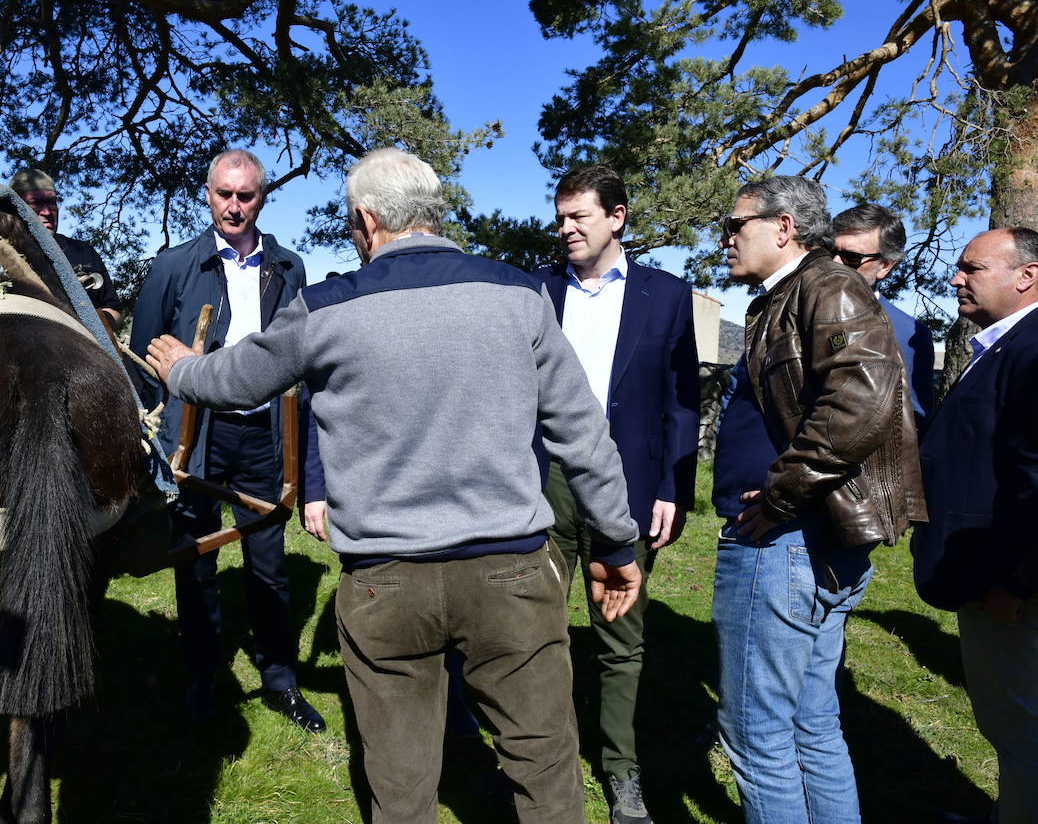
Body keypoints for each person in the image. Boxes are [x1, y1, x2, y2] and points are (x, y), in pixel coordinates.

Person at [146, 147, 643, 824]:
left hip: (386, 581)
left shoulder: (326, 307)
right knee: (546, 774)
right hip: (514, 577)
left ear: (366, 220)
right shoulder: (519, 293)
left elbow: (235, 381)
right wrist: (616, 543)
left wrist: (180, 369)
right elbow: (582, 437)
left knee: (400, 788)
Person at [711, 176, 924, 823]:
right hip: (803, 542)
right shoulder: (790, 295)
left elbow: (861, 402)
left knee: (758, 737)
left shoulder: (824, 286)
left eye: (735, 223)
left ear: (782, 227)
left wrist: (780, 494)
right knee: (809, 724)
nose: (723, 237)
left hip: (783, 543)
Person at [128, 150, 324, 732]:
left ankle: (280, 681)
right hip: (196, 435)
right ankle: (202, 676)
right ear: (208, 194)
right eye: (224, 194)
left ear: (262, 198)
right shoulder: (174, 265)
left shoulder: (288, 267)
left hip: (264, 435)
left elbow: (300, 357)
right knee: (195, 562)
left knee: (269, 566)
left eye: (246, 196)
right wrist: (153, 435)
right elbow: (143, 357)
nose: (234, 206)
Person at [534, 165, 699, 824]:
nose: (566, 228)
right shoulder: (538, 291)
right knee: (531, 634)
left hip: (628, 487)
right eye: (561, 217)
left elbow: (680, 406)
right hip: (545, 484)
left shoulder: (668, 296)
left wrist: (673, 487)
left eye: (579, 216)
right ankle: (535, 762)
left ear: (618, 217)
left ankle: (622, 772)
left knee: (619, 636)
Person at [912, 227, 1038, 824]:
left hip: (1006, 586)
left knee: (1022, 728)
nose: (956, 279)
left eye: (972, 268)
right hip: (990, 575)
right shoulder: (1002, 345)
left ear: (1026, 276)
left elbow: (1036, 480)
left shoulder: (1032, 350)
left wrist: (1016, 582)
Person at [831, 203, 934, 419]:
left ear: (885, 265)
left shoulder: (908, 336)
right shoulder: (788, 311)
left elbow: (912, 419)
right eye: (830, 252)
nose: (834, 263)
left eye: (852, 257)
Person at [8, 169, 122, 330]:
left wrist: (98, 322)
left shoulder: (83, 252)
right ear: (15, 207)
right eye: (36, 203)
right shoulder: (1, 256)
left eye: (51, 202)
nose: (47, 212)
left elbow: (114, 310)